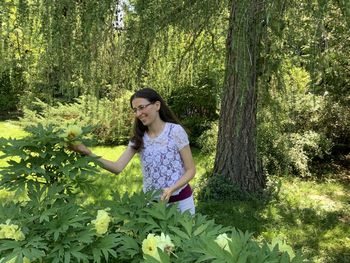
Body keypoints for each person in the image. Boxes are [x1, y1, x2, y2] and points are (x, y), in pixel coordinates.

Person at [71, 88, 196, 215]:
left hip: (181, 202)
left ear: (157, 105)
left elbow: (191, 170)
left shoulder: (175, 131)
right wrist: (87, 152)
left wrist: (171, 189)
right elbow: (117, 167)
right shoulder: (139, 138)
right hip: (152, 206)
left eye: (141, 107)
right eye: (135, 110)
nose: (138, 113)